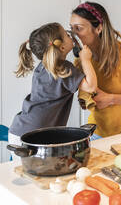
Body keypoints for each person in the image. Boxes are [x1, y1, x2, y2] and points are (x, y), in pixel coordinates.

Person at [8, 22, 97, 152]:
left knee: (27, 171)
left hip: (19, 131)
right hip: (33, 138)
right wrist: (85, 60)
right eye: (67, 35)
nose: (71, 35)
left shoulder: (43, 67)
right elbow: (91, 86)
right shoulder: (64, 69)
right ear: (61, 46)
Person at [70, 2, 121, 137]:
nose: (73, 35)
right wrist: (86, 101)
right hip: (97, 133)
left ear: (98, 28)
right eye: (71, 29)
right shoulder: (82, 61)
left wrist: (111, 99)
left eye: (78, 28)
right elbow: (88, 97)